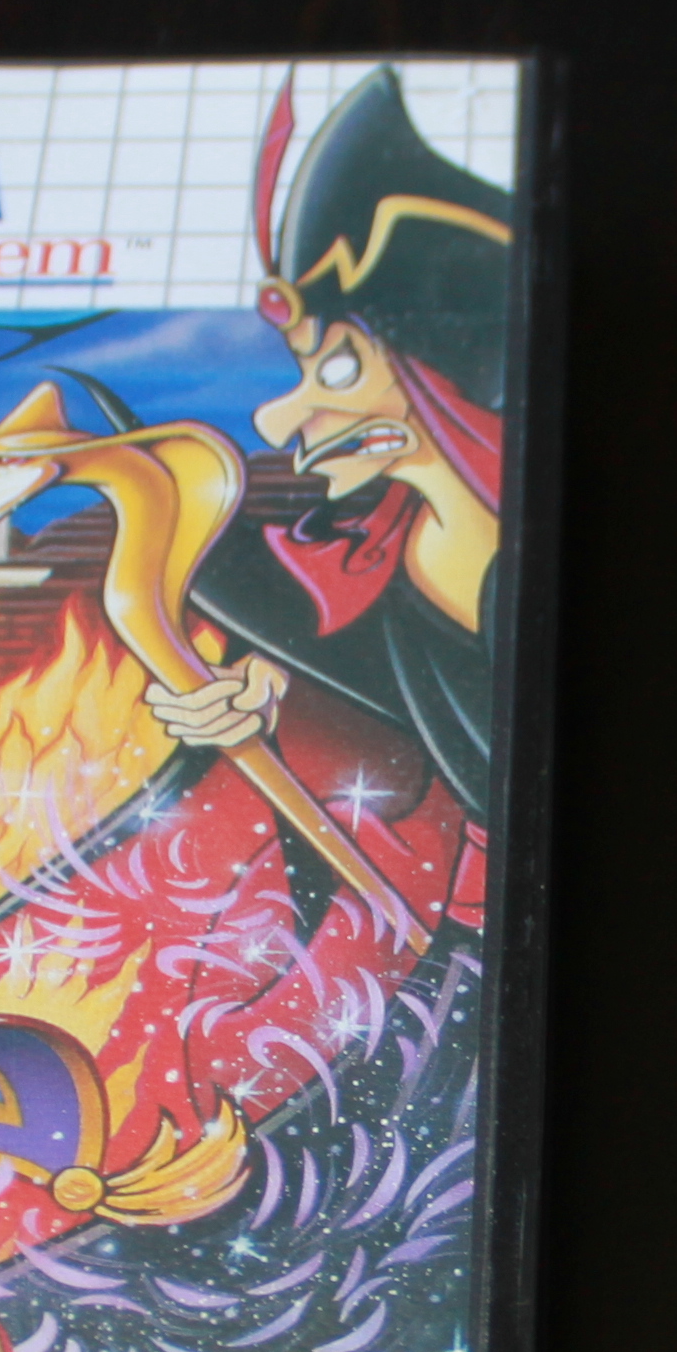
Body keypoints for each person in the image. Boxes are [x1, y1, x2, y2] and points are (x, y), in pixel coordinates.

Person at [145, 68, 517, 826]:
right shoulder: (379, 561)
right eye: (304, 369)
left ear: (447, 371)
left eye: (340, 368)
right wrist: (269, 685)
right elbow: (375, 678)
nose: (280, 420)